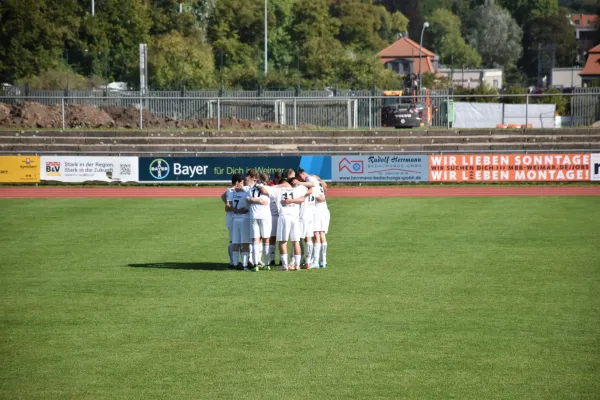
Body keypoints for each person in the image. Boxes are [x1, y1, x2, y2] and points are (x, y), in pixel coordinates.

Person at [257, 177, 307, 270]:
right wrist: (292, 200)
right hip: (295, 217)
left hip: (284, 216)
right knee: (296, 242)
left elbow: (263, 189)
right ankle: (297, 266)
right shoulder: (297, 189)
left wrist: (258, 184)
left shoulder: (277, 190)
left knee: (283, 242)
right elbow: (305, 194)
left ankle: (284, 266)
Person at [297, 169, 329, 269]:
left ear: (301, 175)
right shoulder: (316, 179)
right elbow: (325, 188)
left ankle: (315, 261)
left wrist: (299, 183)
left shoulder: (310, 179)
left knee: (316, 235)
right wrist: (319, 179)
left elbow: (320, 196)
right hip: (324, 210)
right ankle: (323, 261)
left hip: (317, 210)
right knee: (322, 234)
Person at [226, 174, 255, 271]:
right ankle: (245, 264)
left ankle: (234, 264)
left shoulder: (232, 192)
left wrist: (236, 210)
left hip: (235, 219)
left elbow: (227, 205)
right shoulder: (247, 192)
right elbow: (251, 201)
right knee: (245, 243)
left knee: (235, 242)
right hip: (244, 219)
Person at [246, 169, 272, 271]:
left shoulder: (250, 189)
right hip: (265, 216)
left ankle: (256, 264)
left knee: (255, 240)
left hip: (254, 216)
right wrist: (259, 200)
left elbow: (248, 200)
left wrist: (254, 200)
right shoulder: (267, 189)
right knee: (266, 240)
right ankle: (266, 264)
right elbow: (265, 202)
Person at [221, 173, 244, 269]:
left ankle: (234, 261)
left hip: (233, 218)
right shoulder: (231, 191)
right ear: (238, 182)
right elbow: (227, 207)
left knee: (235, 240)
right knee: (233, 240)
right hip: (232, 218)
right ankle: (232, 262)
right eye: (242, 182)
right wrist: (237, 209)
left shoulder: (229, 190)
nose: (243, 184)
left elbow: (222, 196)